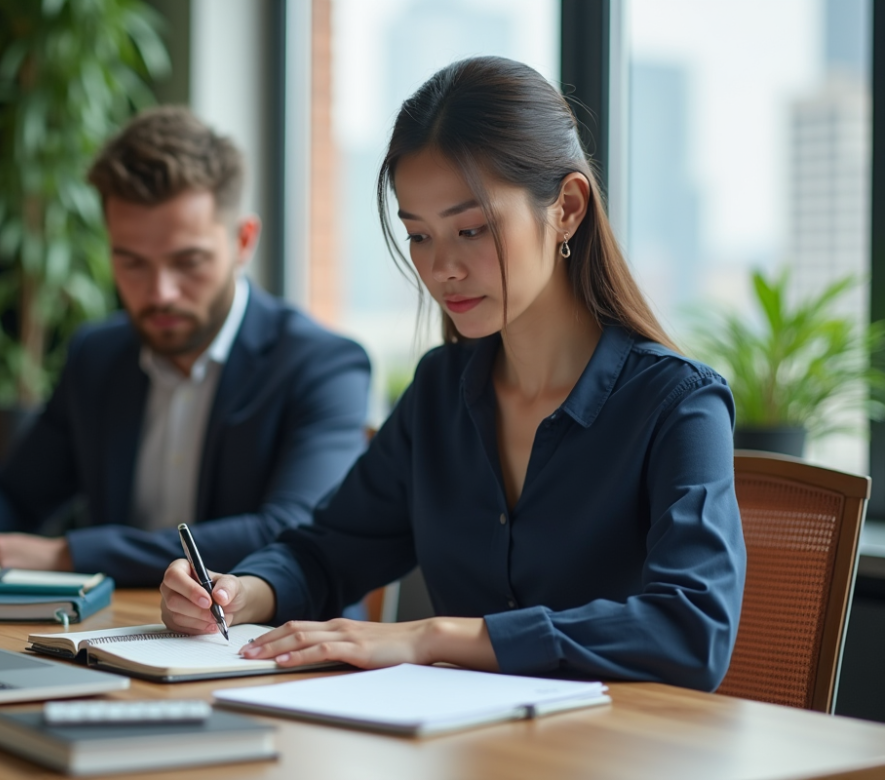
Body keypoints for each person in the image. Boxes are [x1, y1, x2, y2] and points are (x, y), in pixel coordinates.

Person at [159, 57, 747, 691]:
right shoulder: (442, 390)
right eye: (419, 236)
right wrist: (242, 591)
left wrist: (435, 635)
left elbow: (692, 629)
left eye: (471, 229)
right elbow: (330, 547)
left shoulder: (677, 404)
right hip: (464, 743)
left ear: (568, 209)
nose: (442, 269)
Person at [0, 106, 371, 586]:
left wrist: (70, 554)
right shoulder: (97, 355)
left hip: (270, 644)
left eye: (188, 261)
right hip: (118, 635)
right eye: (132, 263)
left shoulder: (321, 364)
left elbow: (288, 532)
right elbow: (18, 492)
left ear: (243, 240)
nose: (160, 292)